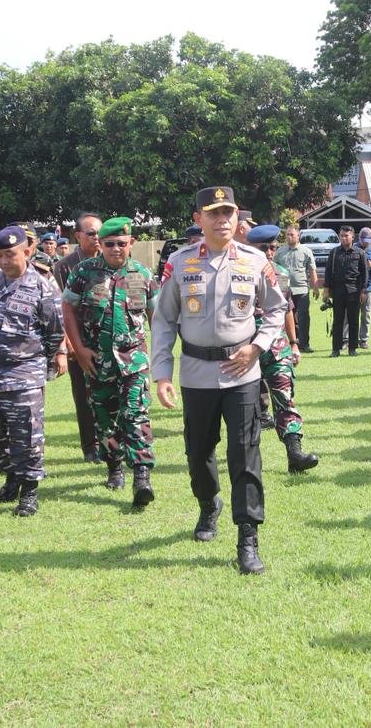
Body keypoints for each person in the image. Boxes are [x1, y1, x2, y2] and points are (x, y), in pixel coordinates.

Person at [151, 185, 290, 574]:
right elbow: (163, 320)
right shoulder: (179, 263)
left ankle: (248, 537)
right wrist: (162, 373)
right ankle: (208, 502)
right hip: (196, 373)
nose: (222, 220)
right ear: (198, 219)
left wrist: (257, 347)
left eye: (228, 212)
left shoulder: (254, 260)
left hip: (242, 371)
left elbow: (277, 310)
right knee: (198, 452)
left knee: (244, 453)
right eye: (213, 213)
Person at [0, 226, 66, 515]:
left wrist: (35, 364)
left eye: (10, 254)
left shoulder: (42, 287)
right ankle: (11, 472)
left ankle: (28, 491)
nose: (5, 260)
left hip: (23, 373)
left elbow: (54, 333)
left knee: (27, 435)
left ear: (27, 251)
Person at [63, 217, 159, 505]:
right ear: (101, 245)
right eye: (109, 244)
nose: (116, 248)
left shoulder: (143, 274)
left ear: (131, 243)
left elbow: (156, 317)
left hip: (134, 360)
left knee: (136, 414)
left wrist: (160, 356)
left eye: (121, 243)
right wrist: (79, 349)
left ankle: (142, 475)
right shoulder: (84, 272)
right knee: (104, 419)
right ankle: (114, 467)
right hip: (97, 360)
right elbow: (68, 309)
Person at [247, 224, 318, 473]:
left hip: (277, 348)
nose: (268, 252)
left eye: (272, 248)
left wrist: (294, 343)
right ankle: (246, 457)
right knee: (246, 407)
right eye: (263, 248)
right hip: (246, 349)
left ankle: (294, 454)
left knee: (285, 397)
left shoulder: (281, 273)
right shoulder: (238, 272)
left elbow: (288, 309)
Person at [54, 212, 103, 463]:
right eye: (91, 233)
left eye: (99, 233)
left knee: (109, 393)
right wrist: (69, 344)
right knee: (83, 396)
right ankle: (90, 446)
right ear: (78, 236)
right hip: (79, 339)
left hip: (107, 338)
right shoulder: (65, 266)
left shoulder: (110, 259)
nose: (97, 238)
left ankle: (110, 443)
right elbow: (61, 309)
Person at [322, 225, 369, 357]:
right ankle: (335, 349)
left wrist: (363, 291)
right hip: (338, 290)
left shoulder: (360, 253)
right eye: (341, 235)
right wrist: (326, 289)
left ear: (352, 237)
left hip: (354, 290)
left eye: (346, 236)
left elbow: (364, 273)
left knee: (353, 320)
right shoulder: (334, 252)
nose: (343, 238)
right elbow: (328, 272)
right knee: (338, 320)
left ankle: (352, 348)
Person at [275, 225, 318, 353]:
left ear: (298, 236)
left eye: (292, 235)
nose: (289, 237)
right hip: (284, 290)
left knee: (303, 317)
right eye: (287, 235)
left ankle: (304, 344)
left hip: (302, 289)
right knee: (287, 317)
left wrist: (315, 288)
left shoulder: (306, 251)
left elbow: (312, 270)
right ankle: (290, 344)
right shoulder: (280, 251)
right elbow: (274, 269)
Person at [354, 227, 371, 349]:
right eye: (363, 240)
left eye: (368, 240)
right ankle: (348, 340)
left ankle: (363, 340)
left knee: (366, 315)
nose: (365, 242)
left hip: (368, 288)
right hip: (353, 287)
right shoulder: (353, 248)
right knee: (350, 315)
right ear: (359, 238)